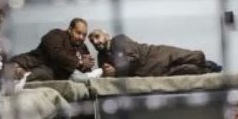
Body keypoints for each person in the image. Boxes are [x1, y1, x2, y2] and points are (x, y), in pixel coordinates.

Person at [89, 29, 222, 77]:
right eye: (92, 41)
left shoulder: (118, 40)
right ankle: (208, 68)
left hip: (156, 55)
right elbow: (107, 74)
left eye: (97, 36)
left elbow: (134, 58)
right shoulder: (102, 58)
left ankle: (208, 64)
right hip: (150, 72)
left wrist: (115, 71)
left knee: (197, 56)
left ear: (106, 35)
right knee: (191, 70)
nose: (95, 41)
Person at [11, 18, 95, 81]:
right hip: (28, 64)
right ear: (70, 29)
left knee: (43, 73)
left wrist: (85, 66)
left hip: (49, 73)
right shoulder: (56, 35)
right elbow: (56, 54)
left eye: (84, 35)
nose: (81, 37)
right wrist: (79, 62)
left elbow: (86, 71)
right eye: (78, 33)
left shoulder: (82, 47)